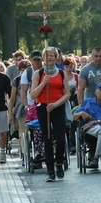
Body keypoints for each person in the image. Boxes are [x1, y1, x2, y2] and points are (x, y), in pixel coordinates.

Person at [30, 47, 70, 182]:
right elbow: (33, 94)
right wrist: (43, 83)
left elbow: (68, 94)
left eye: (52, 55)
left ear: (56, 57)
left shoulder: (62, 73)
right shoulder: (38, 74)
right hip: (43, 108)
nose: (50, 58)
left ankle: (59, 162)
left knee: (59, 138)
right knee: (47, 138)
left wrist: (56, 104)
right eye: (47, 56)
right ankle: (50, 170)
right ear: (43, 59)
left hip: (57, 107)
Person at [73, 82, 101, 169]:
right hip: (90, 129)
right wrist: (81, 113)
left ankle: (95, 158)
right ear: (95, 92)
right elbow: (73, 117)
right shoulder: (87, 102)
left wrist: (94, 122)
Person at [8, 59, 32, 165]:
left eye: (27, 69)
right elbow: (12, 98)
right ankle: (24, 153)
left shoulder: (35, 77)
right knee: (23, 132)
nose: (24, 72)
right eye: (22, 70)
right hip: (21, 108)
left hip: (35, 107)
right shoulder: (17, 80)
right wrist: (10, 114)